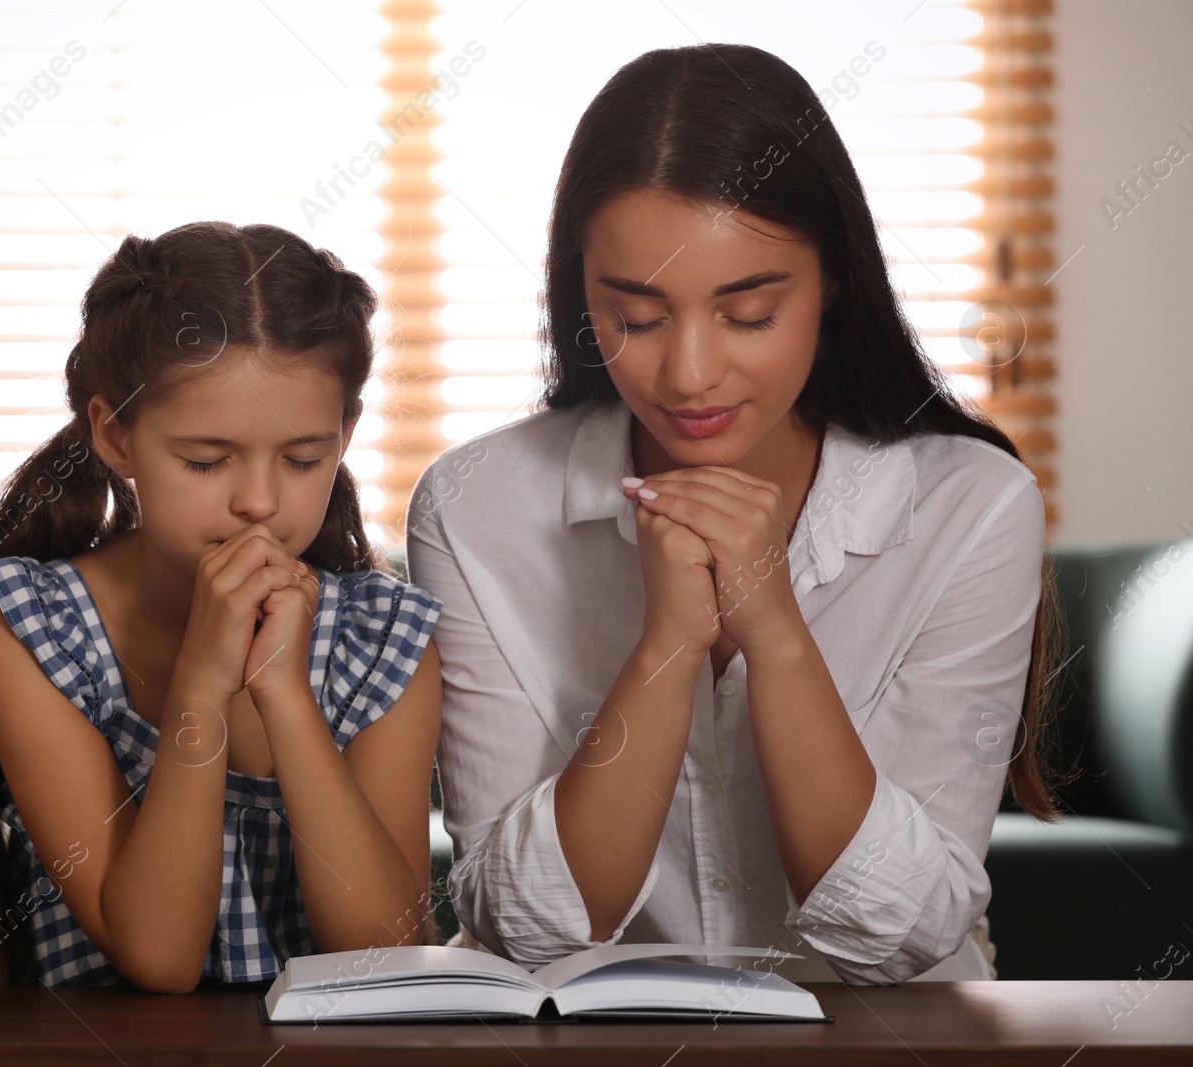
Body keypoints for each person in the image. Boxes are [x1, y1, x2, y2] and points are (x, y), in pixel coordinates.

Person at [407, 43, 1069, 985]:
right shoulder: (475, 508)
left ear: (832, 278)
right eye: (633, 315)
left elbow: (903, 938)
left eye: (748, 312)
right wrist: (667, 650)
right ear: (577, 289)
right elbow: (527, 929)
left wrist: (777, 636)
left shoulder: (971, 505)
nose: (688, 374)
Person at [0, 221, 443, 997]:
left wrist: (283, 692)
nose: (260, 501)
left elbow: (385, 954)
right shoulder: (25, 627)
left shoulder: (385, 637)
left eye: (304, 458)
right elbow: (160, 955)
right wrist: (202, 686)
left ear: (345, 435)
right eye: (205, 461)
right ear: (114, 436)